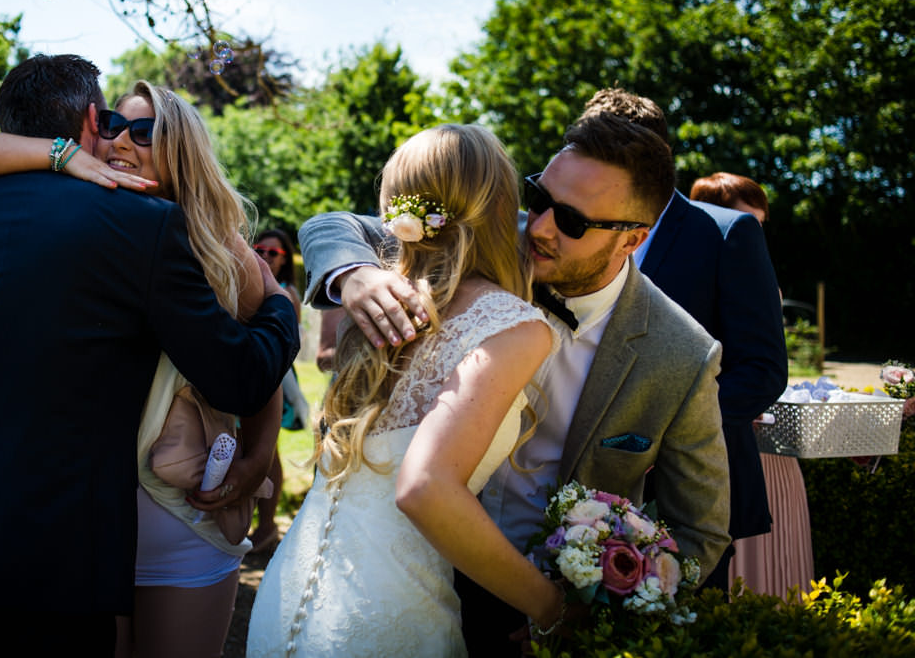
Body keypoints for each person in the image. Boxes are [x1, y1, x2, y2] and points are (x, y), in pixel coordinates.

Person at [0, 56, 300, 655]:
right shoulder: (135, 224)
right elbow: (239, 374)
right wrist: (283, 309)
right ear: (93, 122)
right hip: (63, 564)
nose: (121, 139)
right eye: (116, 122)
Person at [299, 112, 730, 653]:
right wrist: (352, 273)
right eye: (539, 198)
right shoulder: (491, 239)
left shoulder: (682, 355)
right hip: (417, 573)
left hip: (543, 607)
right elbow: (331, 227)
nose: (541, 227)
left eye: (572, 222)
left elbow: (700, 531)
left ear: (632, 240)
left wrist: (603, 614)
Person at [248, 123, 566, 657]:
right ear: (501, 204)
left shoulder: (368, 307)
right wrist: (553, 608)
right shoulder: (512, 326)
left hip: (288, 597)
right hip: (388, 617)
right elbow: (426, 489)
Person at [581, 89, 788, 592]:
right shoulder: (571, 227)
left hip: (687, 495)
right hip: (580, 494)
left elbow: (760, 370)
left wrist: (666, 435)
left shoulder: (726, 233)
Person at [689, 171, 812, 598]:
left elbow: (765, 365)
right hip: (722, 437)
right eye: (747, 222)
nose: (754, 235)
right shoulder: (696, 259)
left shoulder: (753, 268)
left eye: (759, 225)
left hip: (757, 431)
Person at [247, 228, 302, 555]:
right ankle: (258, 523)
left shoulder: (287, 294)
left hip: (277, 375)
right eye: (260, 250)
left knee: (269, 450)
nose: (266, 257)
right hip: (256, 366)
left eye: (274, 253)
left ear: (285, 259)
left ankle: (267, 526)